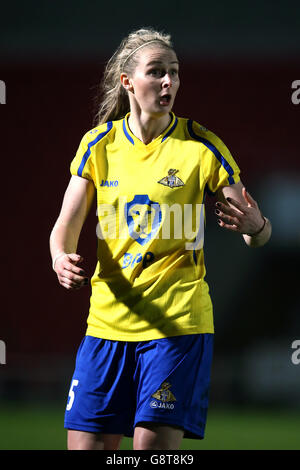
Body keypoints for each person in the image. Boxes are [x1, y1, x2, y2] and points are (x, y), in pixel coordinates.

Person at [49, 27, 272, 451]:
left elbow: (257, 232)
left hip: (177, 328)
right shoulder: (99, 144)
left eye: (174, 72)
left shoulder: (202, 147)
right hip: (106, 327)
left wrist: (256, 228)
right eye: (156, 72)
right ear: (127, 81)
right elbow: (65, 224)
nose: (169, 81)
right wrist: (60, 256)